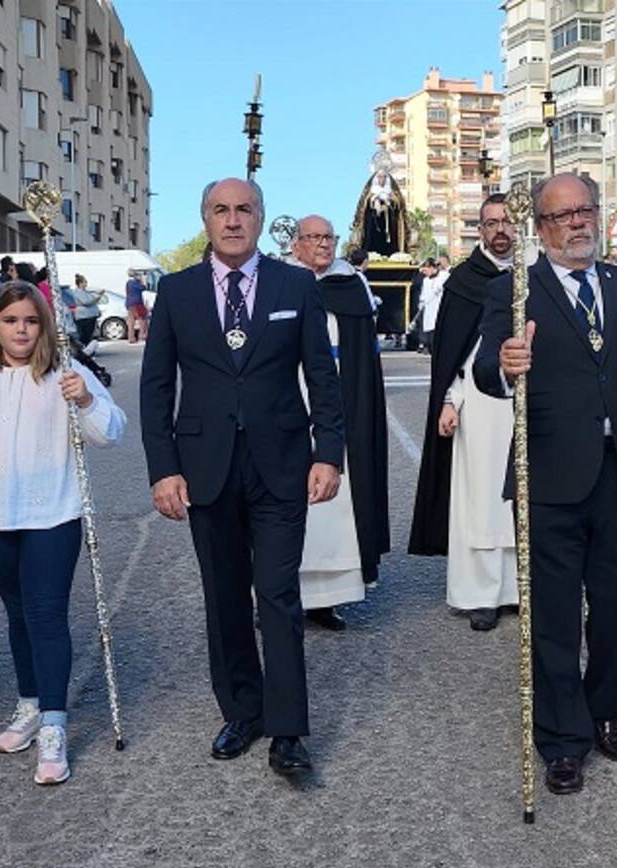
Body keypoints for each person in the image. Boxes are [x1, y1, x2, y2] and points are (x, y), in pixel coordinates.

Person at [474, 173, 617, 795]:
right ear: (541, 227)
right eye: (563, 215)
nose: (577, 223)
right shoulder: (513, 290)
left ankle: (604, 707)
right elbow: (486, 370)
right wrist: (506, 364)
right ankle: (561, 739)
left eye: (585, 210)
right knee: (553, 615)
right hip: (549, 473)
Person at [140, 177, 344, 777]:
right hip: (205, 469)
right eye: (221, 210)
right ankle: (243, 710)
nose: (233, 220)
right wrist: (163, 469)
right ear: (205, 219)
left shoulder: (295, 285)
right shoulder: (176, 292)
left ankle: (288, 730)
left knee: (278, 596)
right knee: (224, 596)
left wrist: (328, 453)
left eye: (244, 210)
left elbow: (322, 376)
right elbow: (157, 388)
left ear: (261, 218)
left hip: (281, 466)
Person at [0, 282, 125, 785]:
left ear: (44, 326)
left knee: (45, 614)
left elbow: (110, 432)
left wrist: (85, 399)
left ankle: (55, 724)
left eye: (31, 321)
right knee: (17, 613)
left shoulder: (65, 372)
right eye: (11, 320)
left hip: (51, 516)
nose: (21, 330)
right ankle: (31, 703)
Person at [408, 193, 519, 631]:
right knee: (482, 498)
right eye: (491, 222)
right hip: (480, 402)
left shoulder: (539, 274)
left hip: (531, 401)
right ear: (480, 230)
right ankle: (481, 595)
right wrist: (450, 400)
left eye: (507, 221)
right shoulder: (464, 282)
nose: (500, 230)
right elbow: (454, 354)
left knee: (529, 495)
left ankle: (524, 588)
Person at [290, 214, 390, 630]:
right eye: (313, 237)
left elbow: (365, 351)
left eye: (328, 237)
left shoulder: (352, 283)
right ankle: (282, 596)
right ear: (296, 244)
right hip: (292, 395)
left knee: (338, 500)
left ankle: (327, 600)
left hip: (342, 395)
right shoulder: (281, 281)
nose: (322, 244)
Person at [420, 255, 450, 353]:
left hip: (439, 307)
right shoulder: (425, 280)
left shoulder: (444, 275)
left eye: (426, 270)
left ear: (432, 268)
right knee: (430, 333)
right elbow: (424, 295)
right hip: (429, 309)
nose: (425, 273)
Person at [72, 273, 101, 346]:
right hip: (84, 316)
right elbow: (86, 301)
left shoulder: (86, 291)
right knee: (85, 335)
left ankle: (86, 346)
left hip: (89, 316)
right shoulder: (79, 292)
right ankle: (84, 347)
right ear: (80, 283)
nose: (86, 284)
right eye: (84, 282)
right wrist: (96, 297)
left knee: (89, 334)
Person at [124, 269, 149, 343]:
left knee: (131, 322)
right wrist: (143, 280)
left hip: (129, 303)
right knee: (142, 319)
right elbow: (143, 288)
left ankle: (131, 337)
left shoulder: (128, 283)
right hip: (137, 303)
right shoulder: (134, 283)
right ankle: (142, 335)